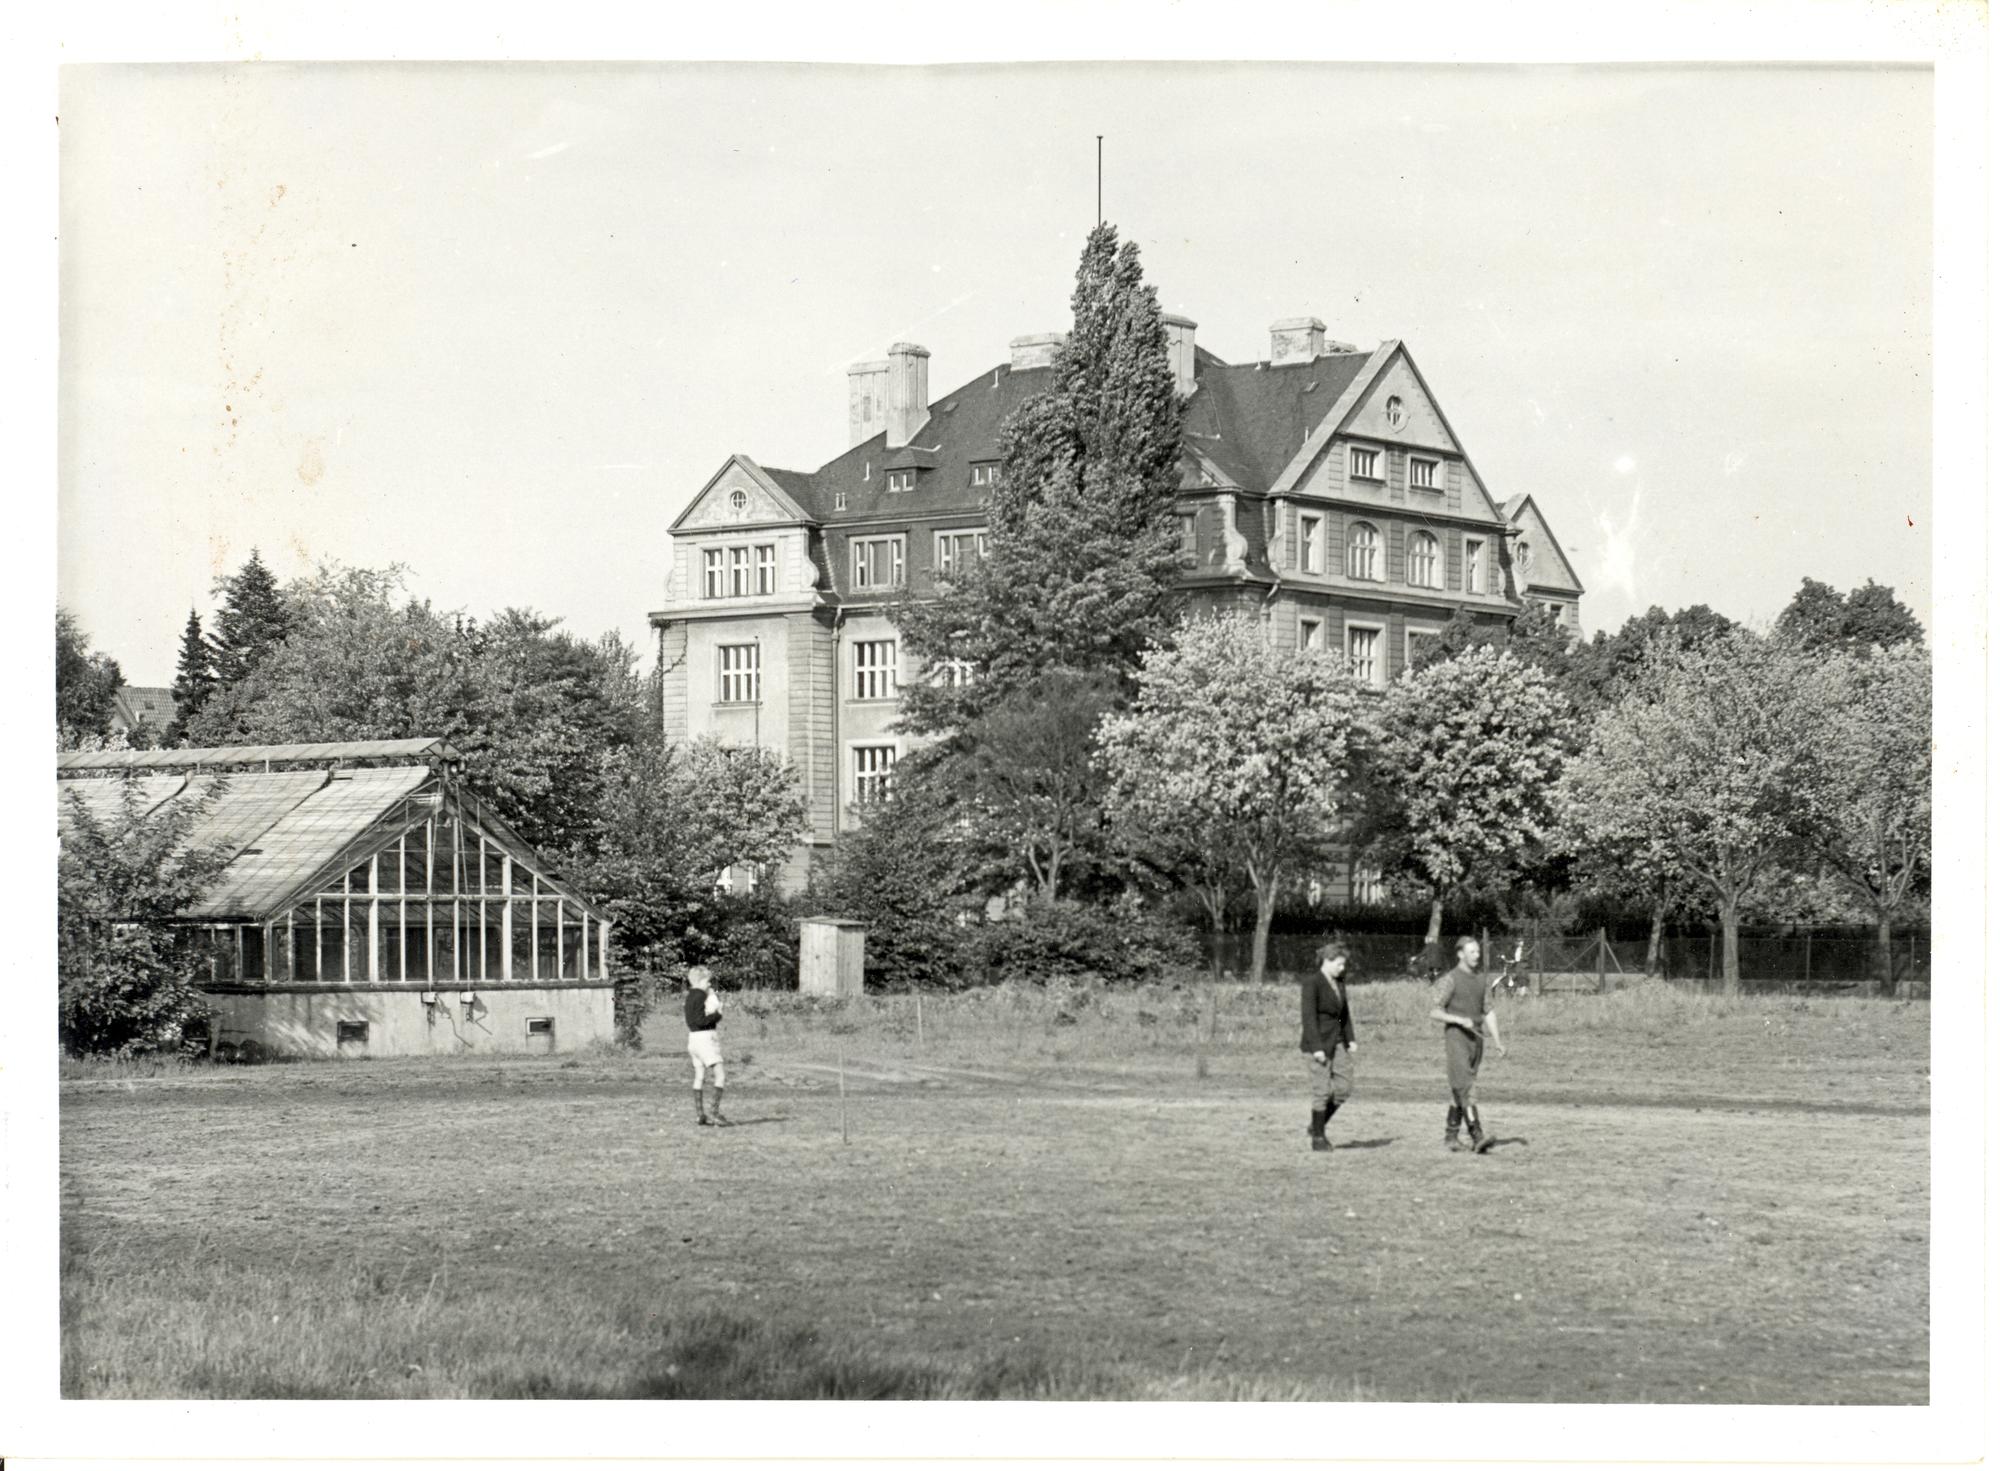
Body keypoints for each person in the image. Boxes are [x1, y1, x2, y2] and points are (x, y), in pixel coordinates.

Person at [1428, 935, 1505, 1152]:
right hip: (1456, 1040)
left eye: (1478, 952)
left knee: (1460, 1089)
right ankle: (1477, 1135)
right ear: (1460, 954)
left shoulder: (1482, 979)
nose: (1477, 955)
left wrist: (1498, 1040)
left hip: (1476, 1041)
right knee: (1466, 1087)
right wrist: (1458, 1020)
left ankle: (1451, 1136)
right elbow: (1435, 1011)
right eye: (1472, 952)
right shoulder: (1450, 979)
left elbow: (1488, 1010)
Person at [1299, 941, 1357, 1152]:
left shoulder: (1339, 982)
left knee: (1344, 1087)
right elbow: (1308, 1018)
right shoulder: (1312, 983)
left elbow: (1344, 1013)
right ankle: (1318, 1139)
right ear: (1327, 961)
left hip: (1338, 1041)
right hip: (1319, 1044)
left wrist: (1351, 1039)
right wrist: (1316, 1048)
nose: (1343, 968)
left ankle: (1316, 1125)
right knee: (1321, 1091)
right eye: (1340, 964)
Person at [684, 965, 729, 1126]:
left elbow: (692, 1021)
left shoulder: (689, 997)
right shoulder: (701, 996)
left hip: (693, 1039)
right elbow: (701, 1020)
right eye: (708, 981)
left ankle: (700, 1114)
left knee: (699, 1076)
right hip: (705, 1038)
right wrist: (718, 1015)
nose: (710, 985)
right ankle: (714, 1112)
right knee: (720, 1075)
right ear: (701, 980)